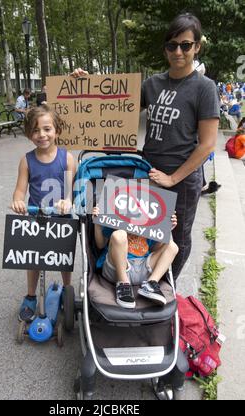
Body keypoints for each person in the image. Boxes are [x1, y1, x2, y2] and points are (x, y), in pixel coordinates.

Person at [72, 13, 220, 282]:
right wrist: (85, 83)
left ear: (197, 46)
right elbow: (115, 104)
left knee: (175, 238)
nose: (178, 51)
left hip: (182, 180)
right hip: (147, 172)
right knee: (141, 231)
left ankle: (161, 287)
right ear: (165, 48)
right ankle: (135, 278)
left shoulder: (205, 88)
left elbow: (208, 143)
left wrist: (173, 178)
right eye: (172, 45)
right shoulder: (153, 84)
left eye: (185, 45)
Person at [11, 105, 76, 322]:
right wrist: (18, 202)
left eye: (47, 129)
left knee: (63, 259)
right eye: (36, 130)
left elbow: (70, 192)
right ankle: (31, 296)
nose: (42, 135)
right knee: (34, 260)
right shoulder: (26, 161)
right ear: (30, 134)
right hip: (36, 219)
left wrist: (67, 202)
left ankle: (67, 290)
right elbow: (19, 191)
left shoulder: (68, 158)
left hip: (61, 219)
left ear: (57, 130)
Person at [92, 205, 178, 308]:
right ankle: (123, 283)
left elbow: (154, 249)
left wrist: (165, 230)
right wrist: (97, 223)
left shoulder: (150, 221)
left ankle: (151, 283)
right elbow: (100, 245)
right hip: (117, 267)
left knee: (172, 246)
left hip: (144, 266)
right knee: (119, 235)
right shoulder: (115, 217)